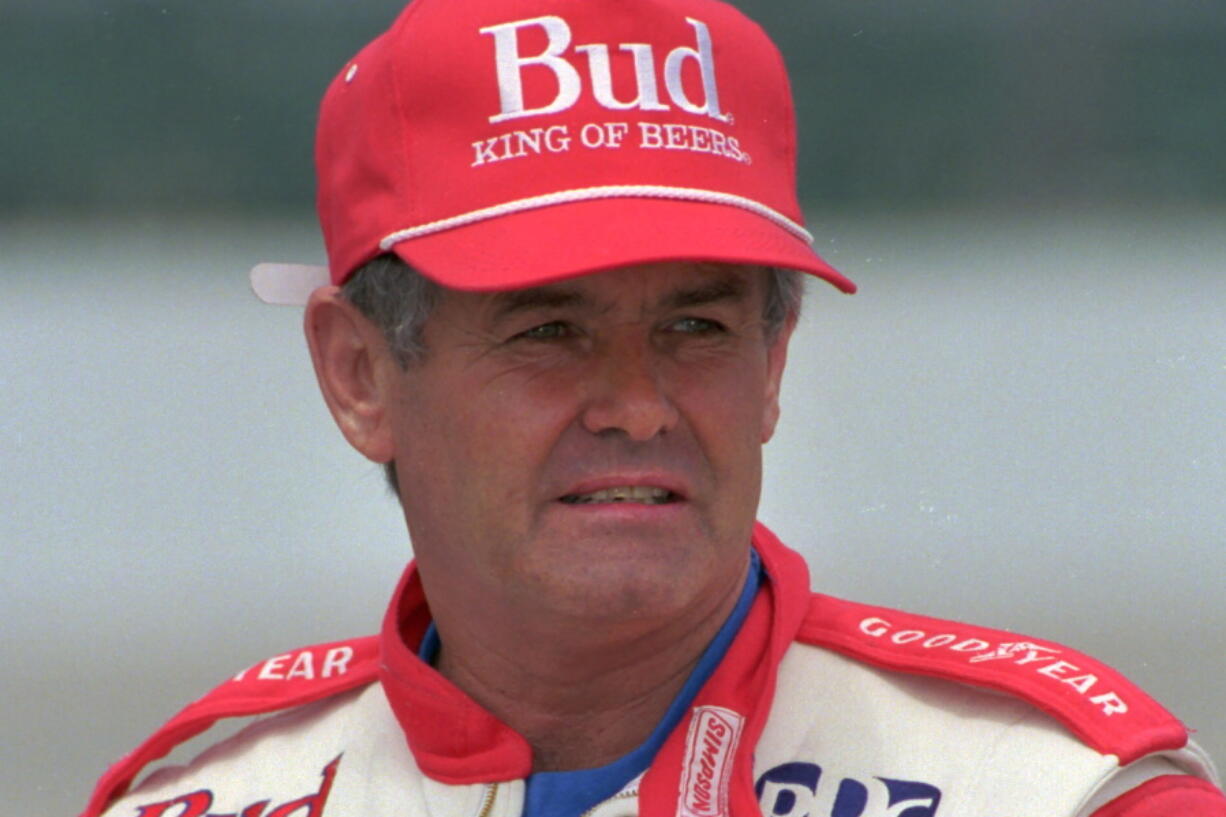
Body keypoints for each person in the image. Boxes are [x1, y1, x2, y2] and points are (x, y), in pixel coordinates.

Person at [81, 0, 1223, 815]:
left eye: (696, 327)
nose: (635, 404)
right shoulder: (199, 799)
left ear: (773, 363)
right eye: (547, 331)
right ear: (359, 375)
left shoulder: (1054, 792)